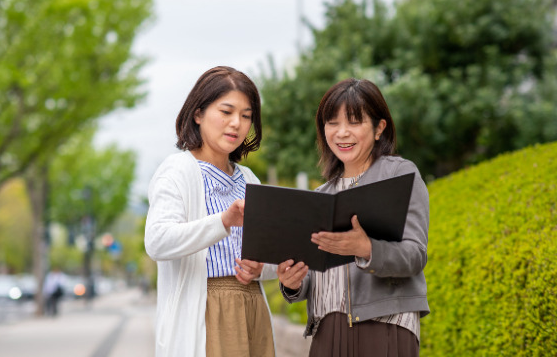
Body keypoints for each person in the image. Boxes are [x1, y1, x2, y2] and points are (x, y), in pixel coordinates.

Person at [277, 78, 430, 357]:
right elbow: (315, 271)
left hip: (385, 325)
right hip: (326, 330)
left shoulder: (400, 175)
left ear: (379, 128)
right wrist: (293, 283)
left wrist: (366, 248)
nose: (342, 132)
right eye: (332, 122)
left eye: (354, 122)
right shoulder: (320, 195)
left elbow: (415, 254)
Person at [145, 66, 277, 357]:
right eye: (226, 111)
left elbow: (270, 257)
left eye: (246, 116)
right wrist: (223, 221)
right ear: (198, 114)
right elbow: (157, 241)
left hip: (253, 305)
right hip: (206, 308)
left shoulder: (249, 179)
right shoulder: (177, 171)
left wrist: (261, 269)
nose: (236, 124)